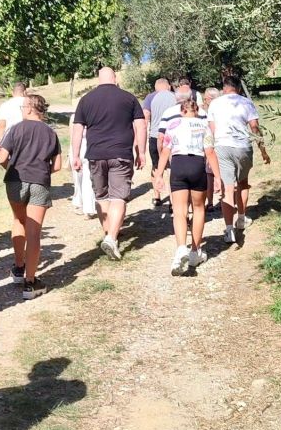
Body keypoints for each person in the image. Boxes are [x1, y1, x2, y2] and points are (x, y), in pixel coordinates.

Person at [72, 68, 146, 260]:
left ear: (99, 79)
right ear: (115, 78)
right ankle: (112, 238)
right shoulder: (128, 98)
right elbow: (140, 126)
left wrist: (75, 155)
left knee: (102, 196)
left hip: (96, 154)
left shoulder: (86, 100)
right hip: (121, 153)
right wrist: (141, 152)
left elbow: (78, 129)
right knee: (119, 196)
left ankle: (108, 232)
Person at [0, 94, 62, 299]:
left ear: (29, 108)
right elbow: (58, 165)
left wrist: (12, 169)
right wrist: (41, 173)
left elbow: (2, 157)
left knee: (19, 220)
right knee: (34, 231)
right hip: (39, 182)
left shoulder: (15, 129)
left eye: (22, 106)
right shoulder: (51, 133)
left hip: (15, 181)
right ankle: (30, 282)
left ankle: (18, 267)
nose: (21, 110)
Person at [154, 99, 222, 275]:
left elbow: (165, 151)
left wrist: (159, 174)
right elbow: (210, 153)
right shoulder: (203, 125)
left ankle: (180, 249)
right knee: (199, 209)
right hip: (197, 164)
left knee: (179, 211)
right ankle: (195, 251)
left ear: (182, 111)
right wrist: (217, 177)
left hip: (179, 164)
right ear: (197, 110)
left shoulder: (173, 124)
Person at [207, 75, 271, 243]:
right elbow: (255, 128)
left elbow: (212, 131)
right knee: (243, 183)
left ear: (224, 88)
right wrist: (263, 151)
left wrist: (210, 154)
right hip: (242, 147)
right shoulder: (246, 102)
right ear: (239, 88)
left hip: (222, 147)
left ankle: (229, 231)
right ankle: (241, 219)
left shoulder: (214, 103)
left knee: (227, 189)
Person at [144, 78, 177, 206]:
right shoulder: (174, 96)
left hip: (154, 135)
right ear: (168, 86)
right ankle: (173, 200)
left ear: (156, 87)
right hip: (172, 136)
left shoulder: (150, 97)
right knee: (171, 168)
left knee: (156, 166)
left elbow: (146, 116)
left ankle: (157, 197)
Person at [69, 112, 97, 217]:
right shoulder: (95, 114)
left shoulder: (75, 116)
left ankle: (82, 204)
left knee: (80, 179)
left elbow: (72, 135)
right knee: (87, 179)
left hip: (78, 148)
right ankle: (87, 206)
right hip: (88, 147)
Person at [202, 87, 222, 211]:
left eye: (206, 98)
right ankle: (221, 199)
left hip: (214, 145)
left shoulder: (208, 112)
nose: (204, 100)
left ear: (211, 99)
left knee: (210, 174)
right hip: (218, 144)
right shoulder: (223, 109)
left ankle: (210, 203)